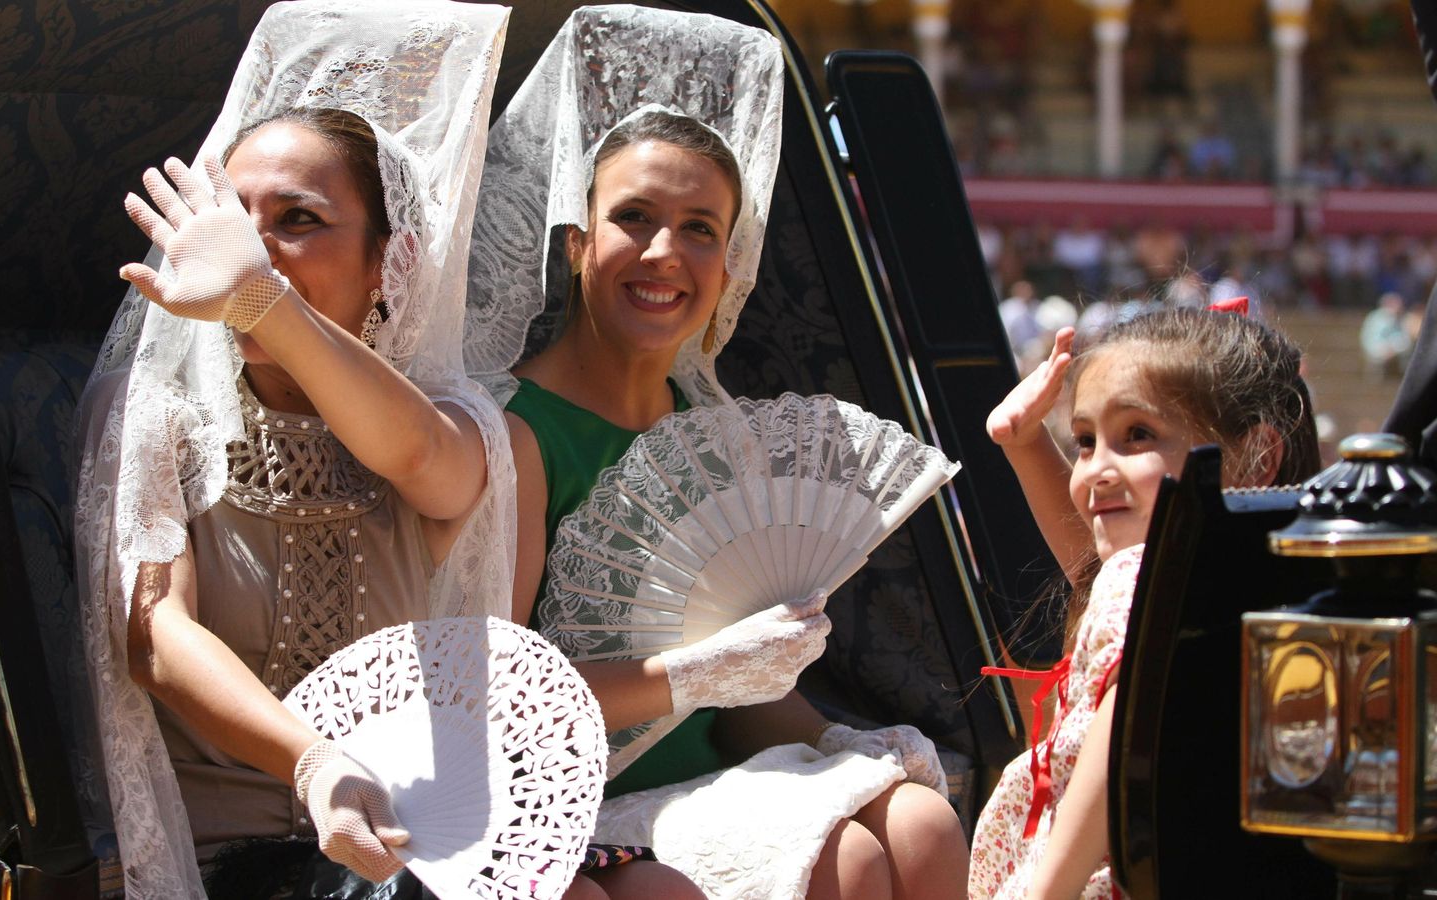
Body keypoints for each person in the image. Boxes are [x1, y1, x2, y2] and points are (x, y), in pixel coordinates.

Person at [71, 4, 646, 897]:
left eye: (297, 219)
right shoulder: (155, 412)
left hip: (416, 835)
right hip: (239, 858)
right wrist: (317, 766)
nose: (248, 251)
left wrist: (263, 303)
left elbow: (419, 460)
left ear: (388, 261)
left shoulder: (456, 423)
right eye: (232, 221)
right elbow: (158, 639)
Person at [465, 8, 967, 899]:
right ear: (576, 241)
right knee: (849, 861)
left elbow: (742, 697)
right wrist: (699, 671)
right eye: (634, 217)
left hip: (721, 780)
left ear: (730, 262)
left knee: (923, 820)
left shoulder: (714, 431)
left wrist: (832, 739)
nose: (666, 252)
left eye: (700, 228)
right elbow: (501, 699)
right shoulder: (520, 435)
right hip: (580, 804)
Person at [974, 307, 1320, 898]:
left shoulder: (1144, 580)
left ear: (1260, 458)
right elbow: (1100, 574)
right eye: (1085, 442)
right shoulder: (1254, 586)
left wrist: (1046, 893)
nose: (1097, 470)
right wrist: (1026, 445)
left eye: (1137, 434)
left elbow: (1126, 718)